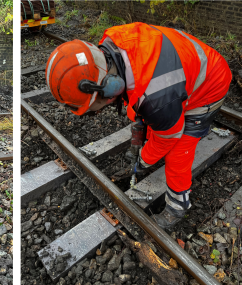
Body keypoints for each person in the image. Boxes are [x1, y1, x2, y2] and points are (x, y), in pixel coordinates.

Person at [45, 22, 231, 229]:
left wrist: (143, 161)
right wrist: (141, 131)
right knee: (154, 115)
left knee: (177, 152)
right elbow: (139, 96)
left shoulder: (157, 98)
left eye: (94, 106)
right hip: (181, 70)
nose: (97, 112)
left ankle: (177, 207)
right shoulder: (110, 48)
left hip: (210, 82)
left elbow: (167, 135)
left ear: (108, 86)